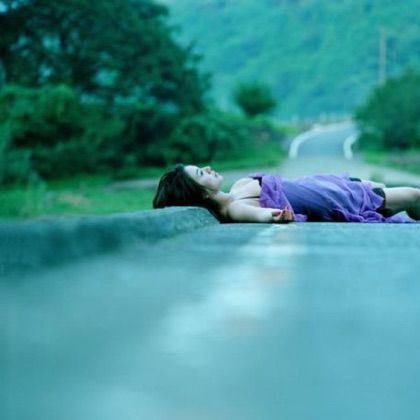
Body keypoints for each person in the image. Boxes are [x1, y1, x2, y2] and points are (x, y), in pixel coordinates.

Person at [152, 163, 420, 223]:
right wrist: (275, 215)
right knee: (413, 195)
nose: (208, 168)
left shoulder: (236, 189)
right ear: (200, 193)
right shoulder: (234, 207)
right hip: (339, 200)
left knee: (394, 193)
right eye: (201, 174)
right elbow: (259, 215)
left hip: (333, 185)